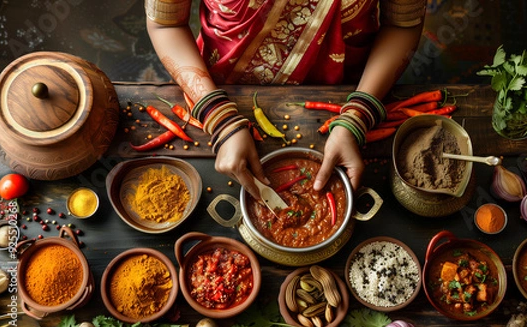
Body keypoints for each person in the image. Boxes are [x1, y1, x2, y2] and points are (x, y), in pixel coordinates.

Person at [145, 0, 425, 199]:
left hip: (350, 87)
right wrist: (220, 117)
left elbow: (402, 25)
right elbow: (166, 25)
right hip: (219, 91)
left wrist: (358, 115)